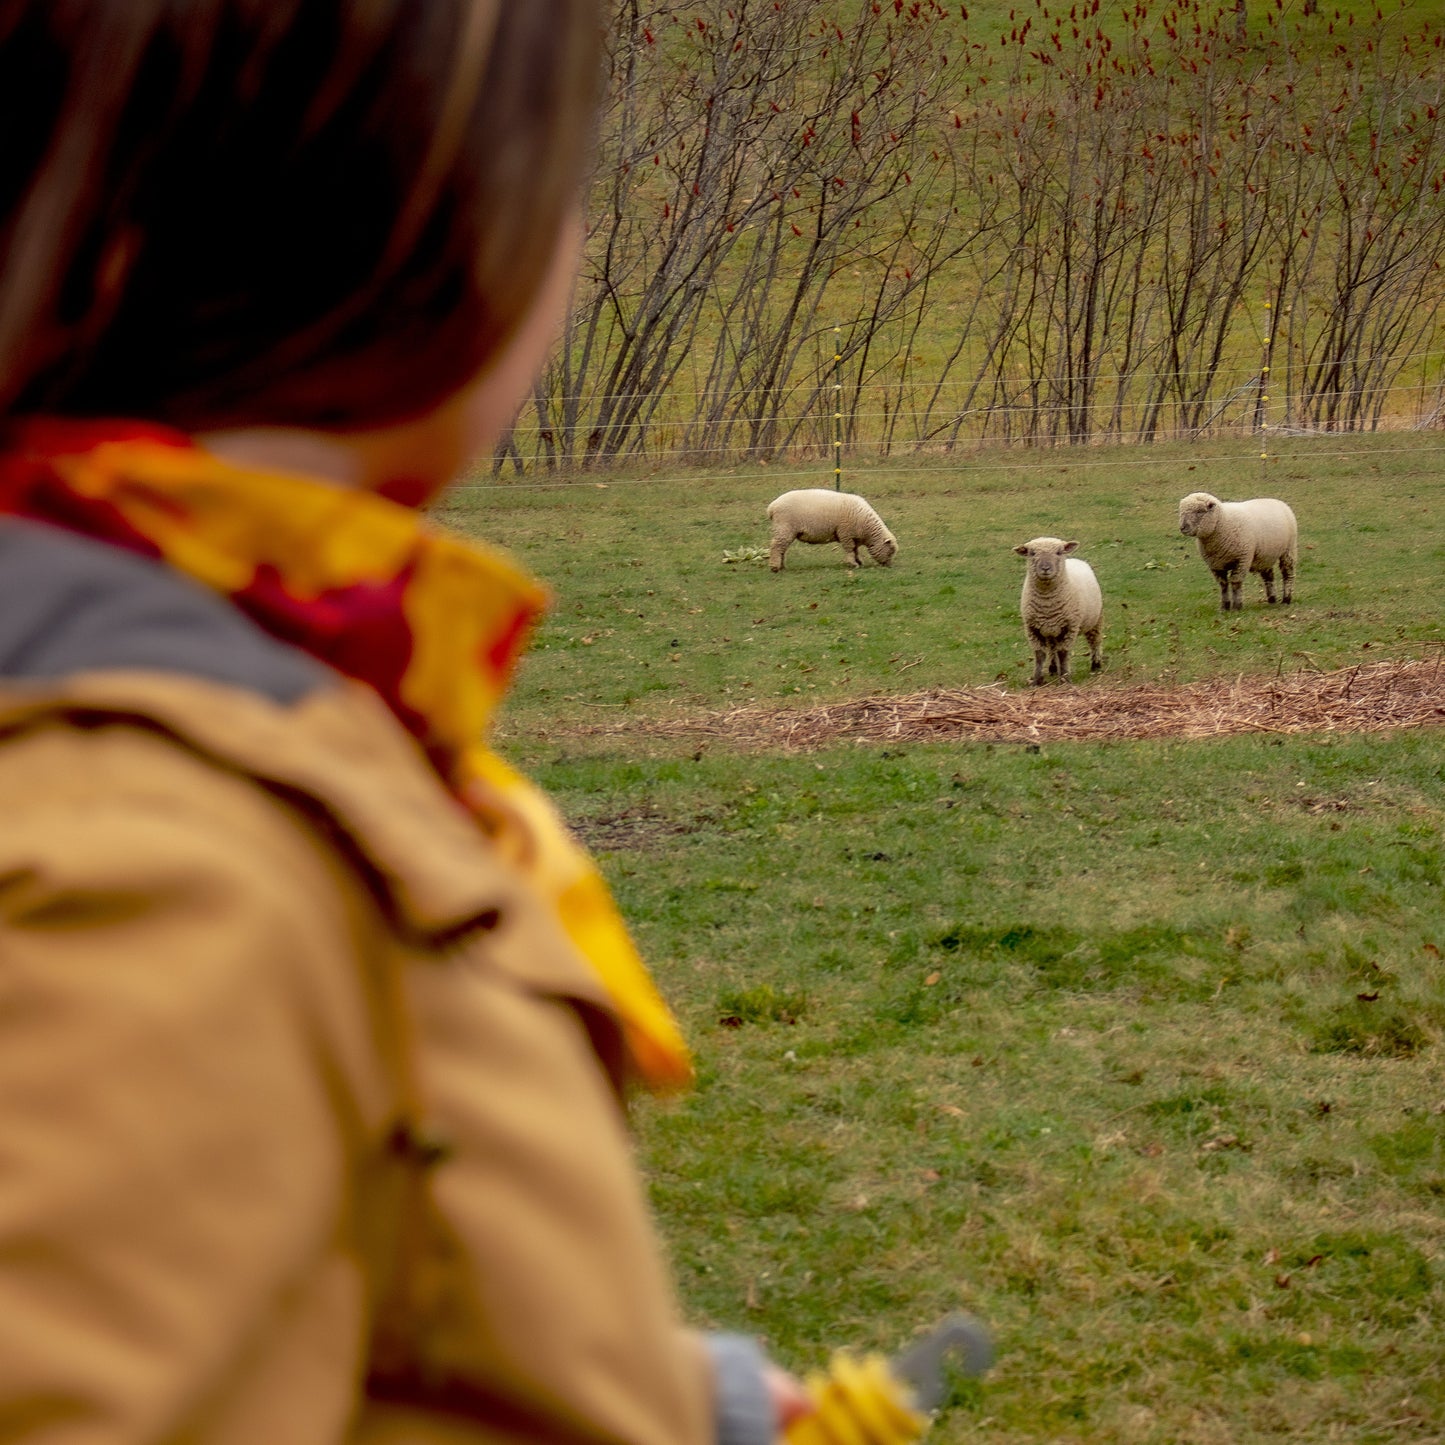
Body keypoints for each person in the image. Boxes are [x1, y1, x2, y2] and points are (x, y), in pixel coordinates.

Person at [0, 4, 807, 1441]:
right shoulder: (147, 855)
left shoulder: (221, 695)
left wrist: (663, 1396)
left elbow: (285, 1293)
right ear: (428, 225)